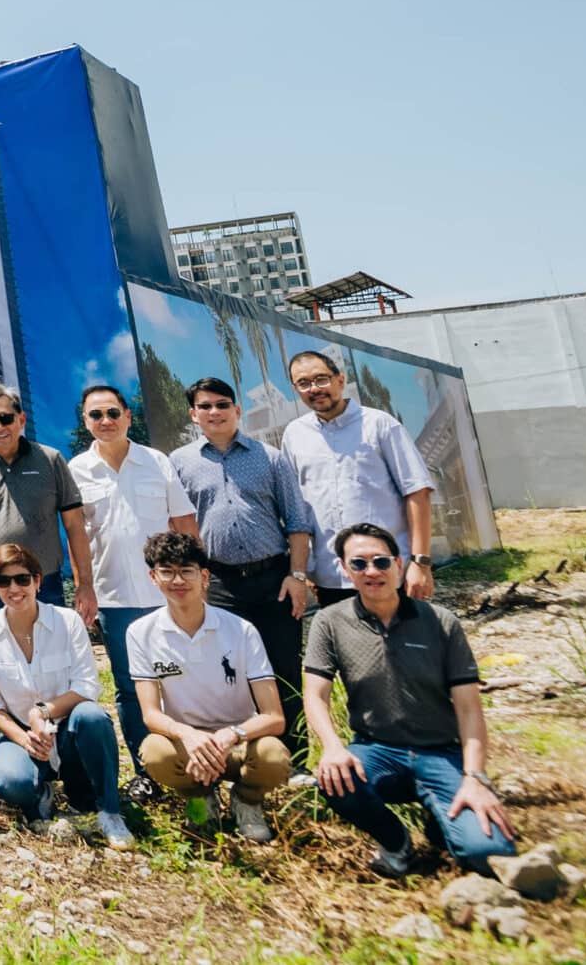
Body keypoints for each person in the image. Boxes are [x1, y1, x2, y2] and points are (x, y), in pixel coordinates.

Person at [305, 523, 515, 879]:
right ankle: (396, 843)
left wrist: (476, 776)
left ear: (399, 564)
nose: (372, 572)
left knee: (488, 854)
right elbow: (315, 694)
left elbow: (468, 707)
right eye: (359, 564)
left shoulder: (441, 622)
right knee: (334, 778)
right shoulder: (329, 622)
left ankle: (441, 821)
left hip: (441, 752)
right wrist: (332, 747)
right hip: (377, 750)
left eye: (381, 561)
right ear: (344, 569)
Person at [168, 376, 316, 760]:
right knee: (228, 673)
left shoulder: (270, 457)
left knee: (283, 667)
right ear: (193, 415)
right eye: (205, 406)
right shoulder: (179, 463)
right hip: (217, 584)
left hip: (274, 580)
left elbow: (298, 523)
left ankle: (294, 760)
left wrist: (297, 576)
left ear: (237, 410)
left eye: (222, 404)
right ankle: (240, 759)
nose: (214, 412)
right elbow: (177, 527)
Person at [127, 530, 291, 843]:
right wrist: (188, 735)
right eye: (167, 572)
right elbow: (150, 714)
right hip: (188, 746)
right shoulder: (141, 633)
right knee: (154, 752)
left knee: (274, 756)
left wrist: (230, 735)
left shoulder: (240, 630)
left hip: (238, 741)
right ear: (153, 577)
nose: (178, 581)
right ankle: (200, 798)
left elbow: (274, 717)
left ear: (204, 577)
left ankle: (247, 802)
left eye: (186, 571)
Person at [70, 383, 198, 780]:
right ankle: (149, 772)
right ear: (86, 421)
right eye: (96, 415)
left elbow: (184, 524)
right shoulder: (77, 470)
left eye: (112, 412)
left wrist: (194, 584)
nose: (105, 421)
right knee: (130, 688)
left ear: (128, 416)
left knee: (180, 684)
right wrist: (84, 588)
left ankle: (192, 767)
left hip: (169, 595)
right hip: (114, 598)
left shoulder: (156, 462)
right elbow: (77, 537)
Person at [0, 541, 131, 847]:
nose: (14, 588)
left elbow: (87, 686)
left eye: (22, 579)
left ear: (38, 581)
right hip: (22, 733)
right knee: (10, 781)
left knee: (92, 716)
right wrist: (23, 737)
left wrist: (43, 711)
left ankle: (108, 810)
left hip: (69, 728)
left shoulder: (66, 622)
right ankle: (39, 793)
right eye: (4, 581)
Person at [280, 352, 436, 606]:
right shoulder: (295, 434)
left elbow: (417, 491)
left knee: (401, 643)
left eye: (321, 379)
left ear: (340, 380)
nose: (315, 389)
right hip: (331, 576)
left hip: (386, 570)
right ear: (295, 389)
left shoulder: (380, 425)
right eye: (304, 383)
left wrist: (421, 562)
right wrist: (305, 569)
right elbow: (296, 506)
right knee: (346, 644)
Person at [0, 384, 94, 625]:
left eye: (5, 418)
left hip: (43, 583)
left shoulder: (51, 460)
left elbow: (75, 527)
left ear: (21, 419)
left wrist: (85, 585)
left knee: (51, 656)